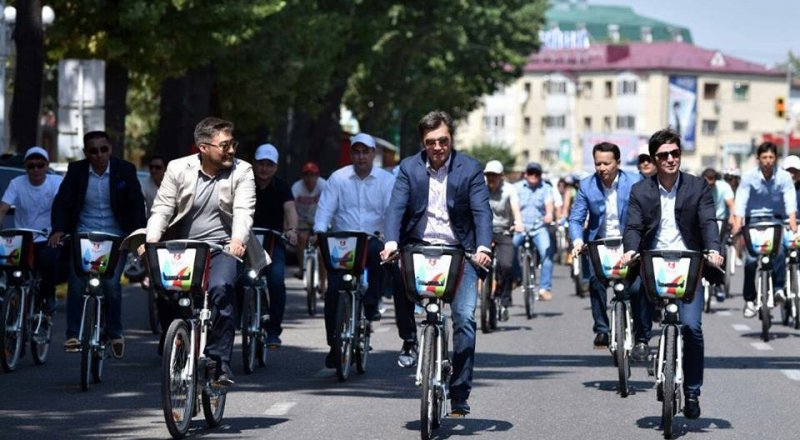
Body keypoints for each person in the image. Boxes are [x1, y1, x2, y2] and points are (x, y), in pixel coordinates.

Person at [140, 117, 268, 386]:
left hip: (222, 248)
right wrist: (152, 239)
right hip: (183, 249)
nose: (231, 150)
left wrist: (237, 241)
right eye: (225, 145)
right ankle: (175, 336)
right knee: (166, 293)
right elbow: (162, 208)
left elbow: (244, 211)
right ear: (203, 147)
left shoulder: (242, 171)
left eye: (233, 144)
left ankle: (219, 362)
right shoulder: (177, 168)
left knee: (221, 289)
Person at [381, 110, 492, 416]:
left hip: (461, 250)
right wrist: (391, 242)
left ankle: (459, 392)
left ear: (451, 139)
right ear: (423, 143)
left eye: (443, 140)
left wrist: (483, 246)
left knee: (465, 318)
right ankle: (409, 340)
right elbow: (395, 208)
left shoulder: (469, 168)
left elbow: (482, 212)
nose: (438, 147)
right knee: (394, 271)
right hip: (418, 247)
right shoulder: (408, 168)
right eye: (431, 142)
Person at [622, 128, 723, 420]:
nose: (670, 159)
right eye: (664, 155)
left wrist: (713, 250)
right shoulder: (641, 190)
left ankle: (692, 390)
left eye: (675, 153)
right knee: (636, 290)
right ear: (654, 159)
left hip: (689, 264)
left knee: (691, 327)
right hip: (652, 263)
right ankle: (642, 339)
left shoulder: (697, 186)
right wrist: (631, 250)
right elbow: (633, 227)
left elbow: (707, 222)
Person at [50, 131, 146, 359]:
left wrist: (139, 236)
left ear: (110, 149)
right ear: (86, 153)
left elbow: (135, 204)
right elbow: (62, 202)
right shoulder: (76, 171)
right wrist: (58, 230)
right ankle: (73, 334)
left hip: (116, 238)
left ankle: (115, 333)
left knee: (112, 284)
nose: (99, 155)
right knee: (76, 281)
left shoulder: (125, 170)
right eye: (93, 151)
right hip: (83, 235)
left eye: (103, 149)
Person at [313, 133, 395, 368]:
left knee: (382, 256)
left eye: (365, 152)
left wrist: (392, 240)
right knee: (333, 292)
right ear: (351, 155)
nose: (361, 156)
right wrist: (319, 232)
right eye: (356, 152)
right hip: (344, 242)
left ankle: (371, 304)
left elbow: (391, 213)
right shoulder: (338, 179)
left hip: (372, 239)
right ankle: (334, 344)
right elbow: (325, 209)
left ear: (373, 154)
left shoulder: (386, 180)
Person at [568, 142, 649, 357]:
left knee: (637, 289)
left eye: (606, 163)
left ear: (618, 163)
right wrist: (577, 241)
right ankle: (602, 329)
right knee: (595, 281)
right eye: (598, 163)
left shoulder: (635, 182)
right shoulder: (586, 185)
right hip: (600, 243)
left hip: (629, 242)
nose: (602, 168)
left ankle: (642, 337)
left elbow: (648, 213)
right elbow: (576, 218)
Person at [732, 142, 797, 317]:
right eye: (764, 157)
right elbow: (741, 201)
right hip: (753, 221)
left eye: (771, 157)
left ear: (775, 159)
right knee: (751, 260)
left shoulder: (784, 177)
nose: (768, 161)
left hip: (776, 220)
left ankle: (778, 290)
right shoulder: (748, 177)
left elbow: (790, 200)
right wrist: (738, 224)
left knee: (781, 252)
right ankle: (750, 300)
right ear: (758, 159)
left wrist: (792, 223)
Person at [0, 147, 63, 316]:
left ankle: (48, 296)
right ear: (25, 167)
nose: (36, 170)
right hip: (22, 237)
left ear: (47, 166)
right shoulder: (16, 183)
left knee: (47, 262)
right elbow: (3, 208)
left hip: (47, 236)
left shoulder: (56, 182)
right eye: (31, 166)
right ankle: (11, 300)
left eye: (40, 165)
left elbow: (64, 207)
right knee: (8, 268)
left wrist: (59, 230)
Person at [251, 143, 298, 348]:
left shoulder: (282, 187)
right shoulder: (244, 184)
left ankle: (273, 330)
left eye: (269, 164)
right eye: (261, 163)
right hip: (245, 242)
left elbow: (290, 210)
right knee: (233, 279)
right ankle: (236, 318)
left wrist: (292, 230)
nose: (264, 168)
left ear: (276, 167)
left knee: (277, 280)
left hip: (273, 242)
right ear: (254, 164)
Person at [484, 160, 523, 320]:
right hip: (484, 232)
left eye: (494, 175)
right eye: (488, 175)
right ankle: (483, 293)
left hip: (504, 231)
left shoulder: (509, 190)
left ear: (501, 176)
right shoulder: (480, 188)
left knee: (506, 265)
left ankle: (504, 299)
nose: (491, 178)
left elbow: (515, 208)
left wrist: (518, 222)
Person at [514, 162, 555, 300]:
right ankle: (517, 277)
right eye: (530, 173)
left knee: (547, 253)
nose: (533, 176)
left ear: (540, 175)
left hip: (538, 227)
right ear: (525, 174)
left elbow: (549, 205)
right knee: (510, 248)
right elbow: (512, 205)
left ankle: (544, 288)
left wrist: (549, 214)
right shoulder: (517, 188)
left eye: (536, 174)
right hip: (520, 227)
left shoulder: (546, 188)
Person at [292, 161, 327, 292]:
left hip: (320, 219)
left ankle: (323, 283)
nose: (309, 178)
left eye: (312, 175)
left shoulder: (323, 185)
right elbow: (291, 205)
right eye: (307, 175)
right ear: (303, 176)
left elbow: (330, 203)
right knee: (301, 238)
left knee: (322, 251)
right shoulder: (297, 187)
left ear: (317, 176)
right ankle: (302, 268)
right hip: (302, 219)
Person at [702, 168, 735, 302]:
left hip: (720, 221)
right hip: (703, 221)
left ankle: (718, 283)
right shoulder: (697, 186)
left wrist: (733, 218)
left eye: (712, 183)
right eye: (707, 183)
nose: (710, 186)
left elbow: (731, 204)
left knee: (720, 251)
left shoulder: (724, 187)